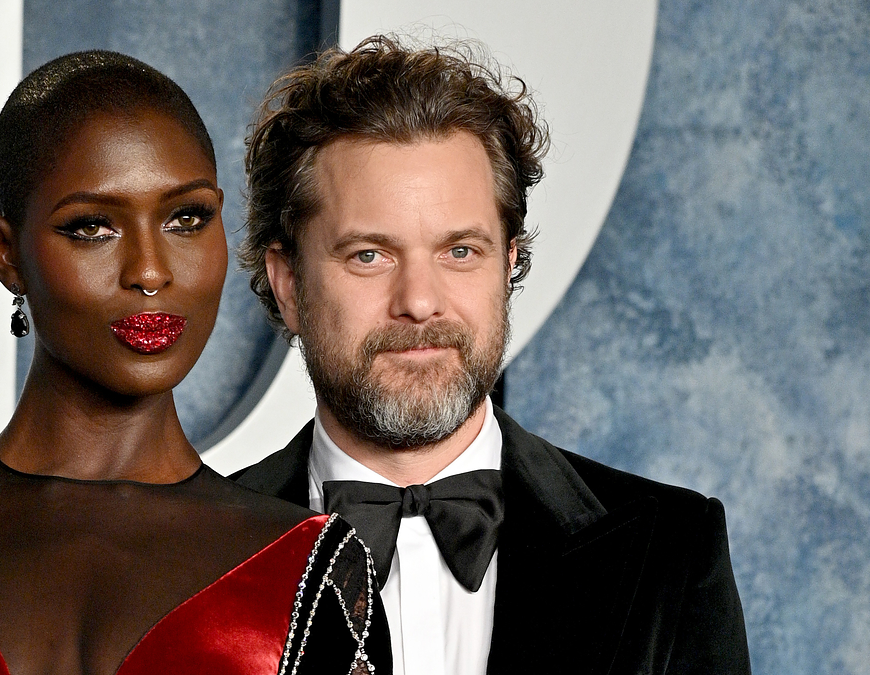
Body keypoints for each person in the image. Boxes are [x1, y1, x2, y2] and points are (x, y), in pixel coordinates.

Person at [0, 51, 391, 675]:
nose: (150, 270)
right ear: (5, 252)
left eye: (186, 219)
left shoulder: (312, 570)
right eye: (92, 227)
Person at [232, 36, 751, 675]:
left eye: (460, 252)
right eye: (369, 255)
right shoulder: (189, 558)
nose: (419, 302)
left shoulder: (672, 551)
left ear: (507, 266)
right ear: (289, 285)